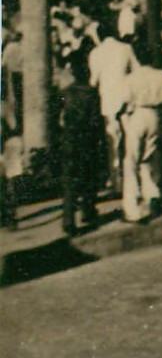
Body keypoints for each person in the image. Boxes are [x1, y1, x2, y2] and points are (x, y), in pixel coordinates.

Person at [121, 53, 162, 222]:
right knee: (148, 158)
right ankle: (152, 196)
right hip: (155, 115)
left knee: (131, 160)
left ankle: (132, 207)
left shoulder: (131, 77)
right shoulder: (161, 75)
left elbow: (126, 100)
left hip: (138, 113)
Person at [55, 53, 102, 236]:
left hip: (69, 138)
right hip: (87, 139)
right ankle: (88, 212)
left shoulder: (65, 93)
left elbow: (56, 119)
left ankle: (68, 219)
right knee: (89, 176)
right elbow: (96, 120)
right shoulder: (91, 93)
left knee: (69, 180)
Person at [88, 22, 137, 193]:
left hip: (108, 102)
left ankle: (117, 182)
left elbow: (93, 81)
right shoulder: (126, 48)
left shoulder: (96, 53)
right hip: (127, 100)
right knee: (132, 140)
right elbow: (136, 71)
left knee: (113, 145)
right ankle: (135, 182)